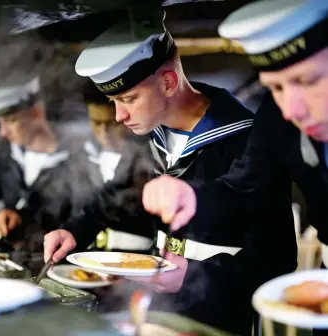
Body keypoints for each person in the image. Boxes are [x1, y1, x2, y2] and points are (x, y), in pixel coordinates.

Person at [43, 12, 297, 335]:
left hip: (225, 316)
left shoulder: (246, 140)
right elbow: (117, 195)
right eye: (113, 101)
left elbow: (275, 261)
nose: (119, 116)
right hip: (159, 310)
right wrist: (75, 230)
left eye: (128, 99)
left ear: (168, 82)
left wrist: (192, 276)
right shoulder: (149, 136)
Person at [141, 0, 328, 267]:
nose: (291, 110)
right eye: (276, 88)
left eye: (308, 80)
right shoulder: (277, 118)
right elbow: (245, 190)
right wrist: (192, 198)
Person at [0, 77, 93, 251]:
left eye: (11, 120)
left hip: (55, 259)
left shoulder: (80, 158)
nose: (3, 132)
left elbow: (85, 217)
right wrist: (2, 215)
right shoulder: (3, 154)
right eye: (1, 123)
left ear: (36, 112)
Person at [82, 81, 154, 253]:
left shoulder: (152, 158)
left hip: (138, 262)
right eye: (96, 122)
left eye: (111, 123)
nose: (104, 133)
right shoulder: (81, 155)